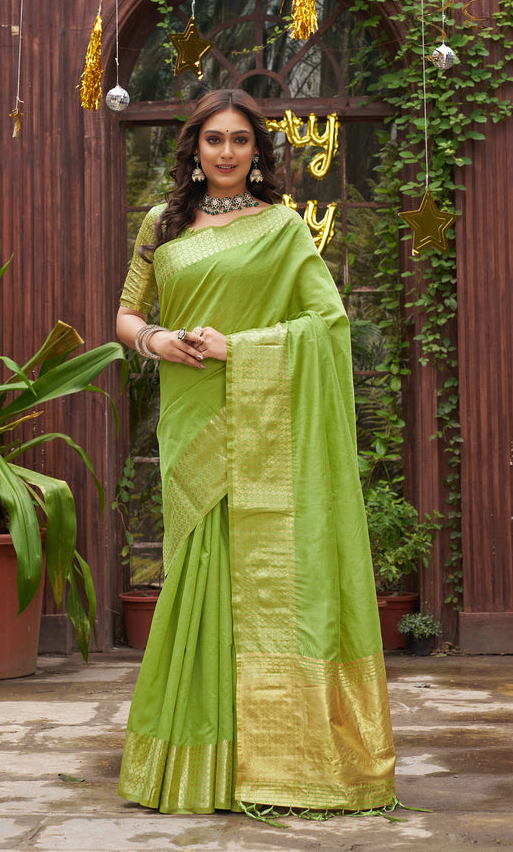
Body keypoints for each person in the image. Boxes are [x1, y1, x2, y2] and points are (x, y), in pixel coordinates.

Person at [116, 88, 396, 816]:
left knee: (257, 574)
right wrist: (157, 341)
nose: (228, 153)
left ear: (258, 153)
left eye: (241, 140)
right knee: (197, 571)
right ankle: (194, 758)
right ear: (196, 148)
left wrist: (237, 347)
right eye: (215, 140)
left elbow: (325, 321)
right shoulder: (160, 222)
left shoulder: (282, 227)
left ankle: (270, 757)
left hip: (258, 408)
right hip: (189, 406)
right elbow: (125, 315)